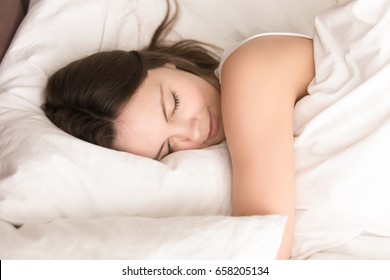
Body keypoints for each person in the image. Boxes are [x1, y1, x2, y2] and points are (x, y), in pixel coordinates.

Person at [42, 0, 314, 259]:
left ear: (167, 66)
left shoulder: (248, 70)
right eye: (169, 147)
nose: (194, 131)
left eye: (175, 104)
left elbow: (267, 246)